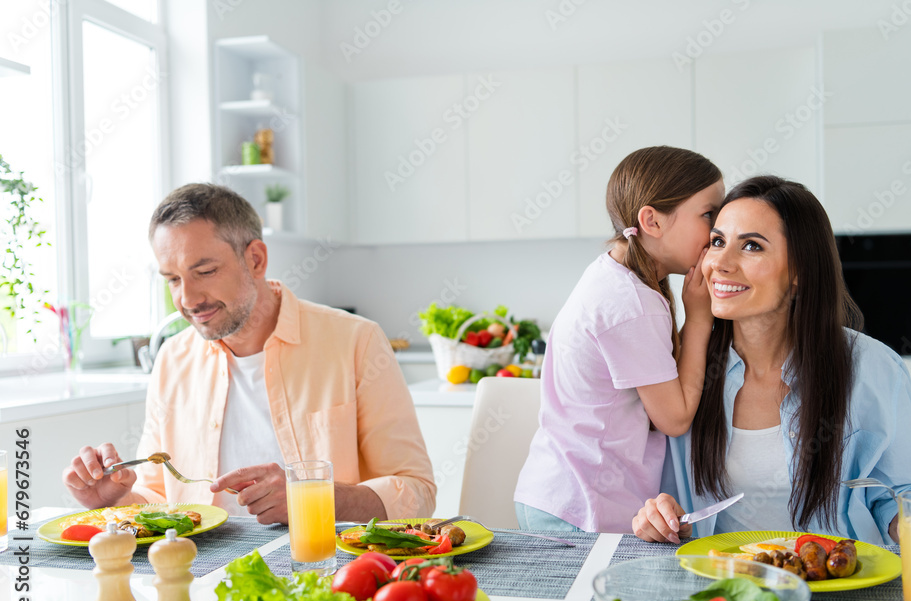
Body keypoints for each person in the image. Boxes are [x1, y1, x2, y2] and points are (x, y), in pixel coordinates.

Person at [62, 183, 436, 524]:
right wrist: (116, 499)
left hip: (329, 573)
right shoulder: (172, 360)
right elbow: (158, 499)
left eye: (204, 271)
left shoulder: (356, 341)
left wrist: (314, 499)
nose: (187, 299)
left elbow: (417, 493)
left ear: (255, 259)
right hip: (200, 577)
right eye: (173, 280)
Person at [633, 175, 911, 546]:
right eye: (717, 242)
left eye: (751, 247)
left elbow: (900, 494)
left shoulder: (874, 369)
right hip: (724, 589)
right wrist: (658, 516)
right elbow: (666, 498)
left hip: (835, 588)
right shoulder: (685, 372)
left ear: (799, 273)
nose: (721, 263)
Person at [513, 146, 724, 533]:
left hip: (557, 494)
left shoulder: (614, 275)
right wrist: (698, 318)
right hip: (581, 505)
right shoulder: (633, 303)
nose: (716, 232)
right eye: (709, 214)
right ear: (652, 221)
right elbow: (674, 418)